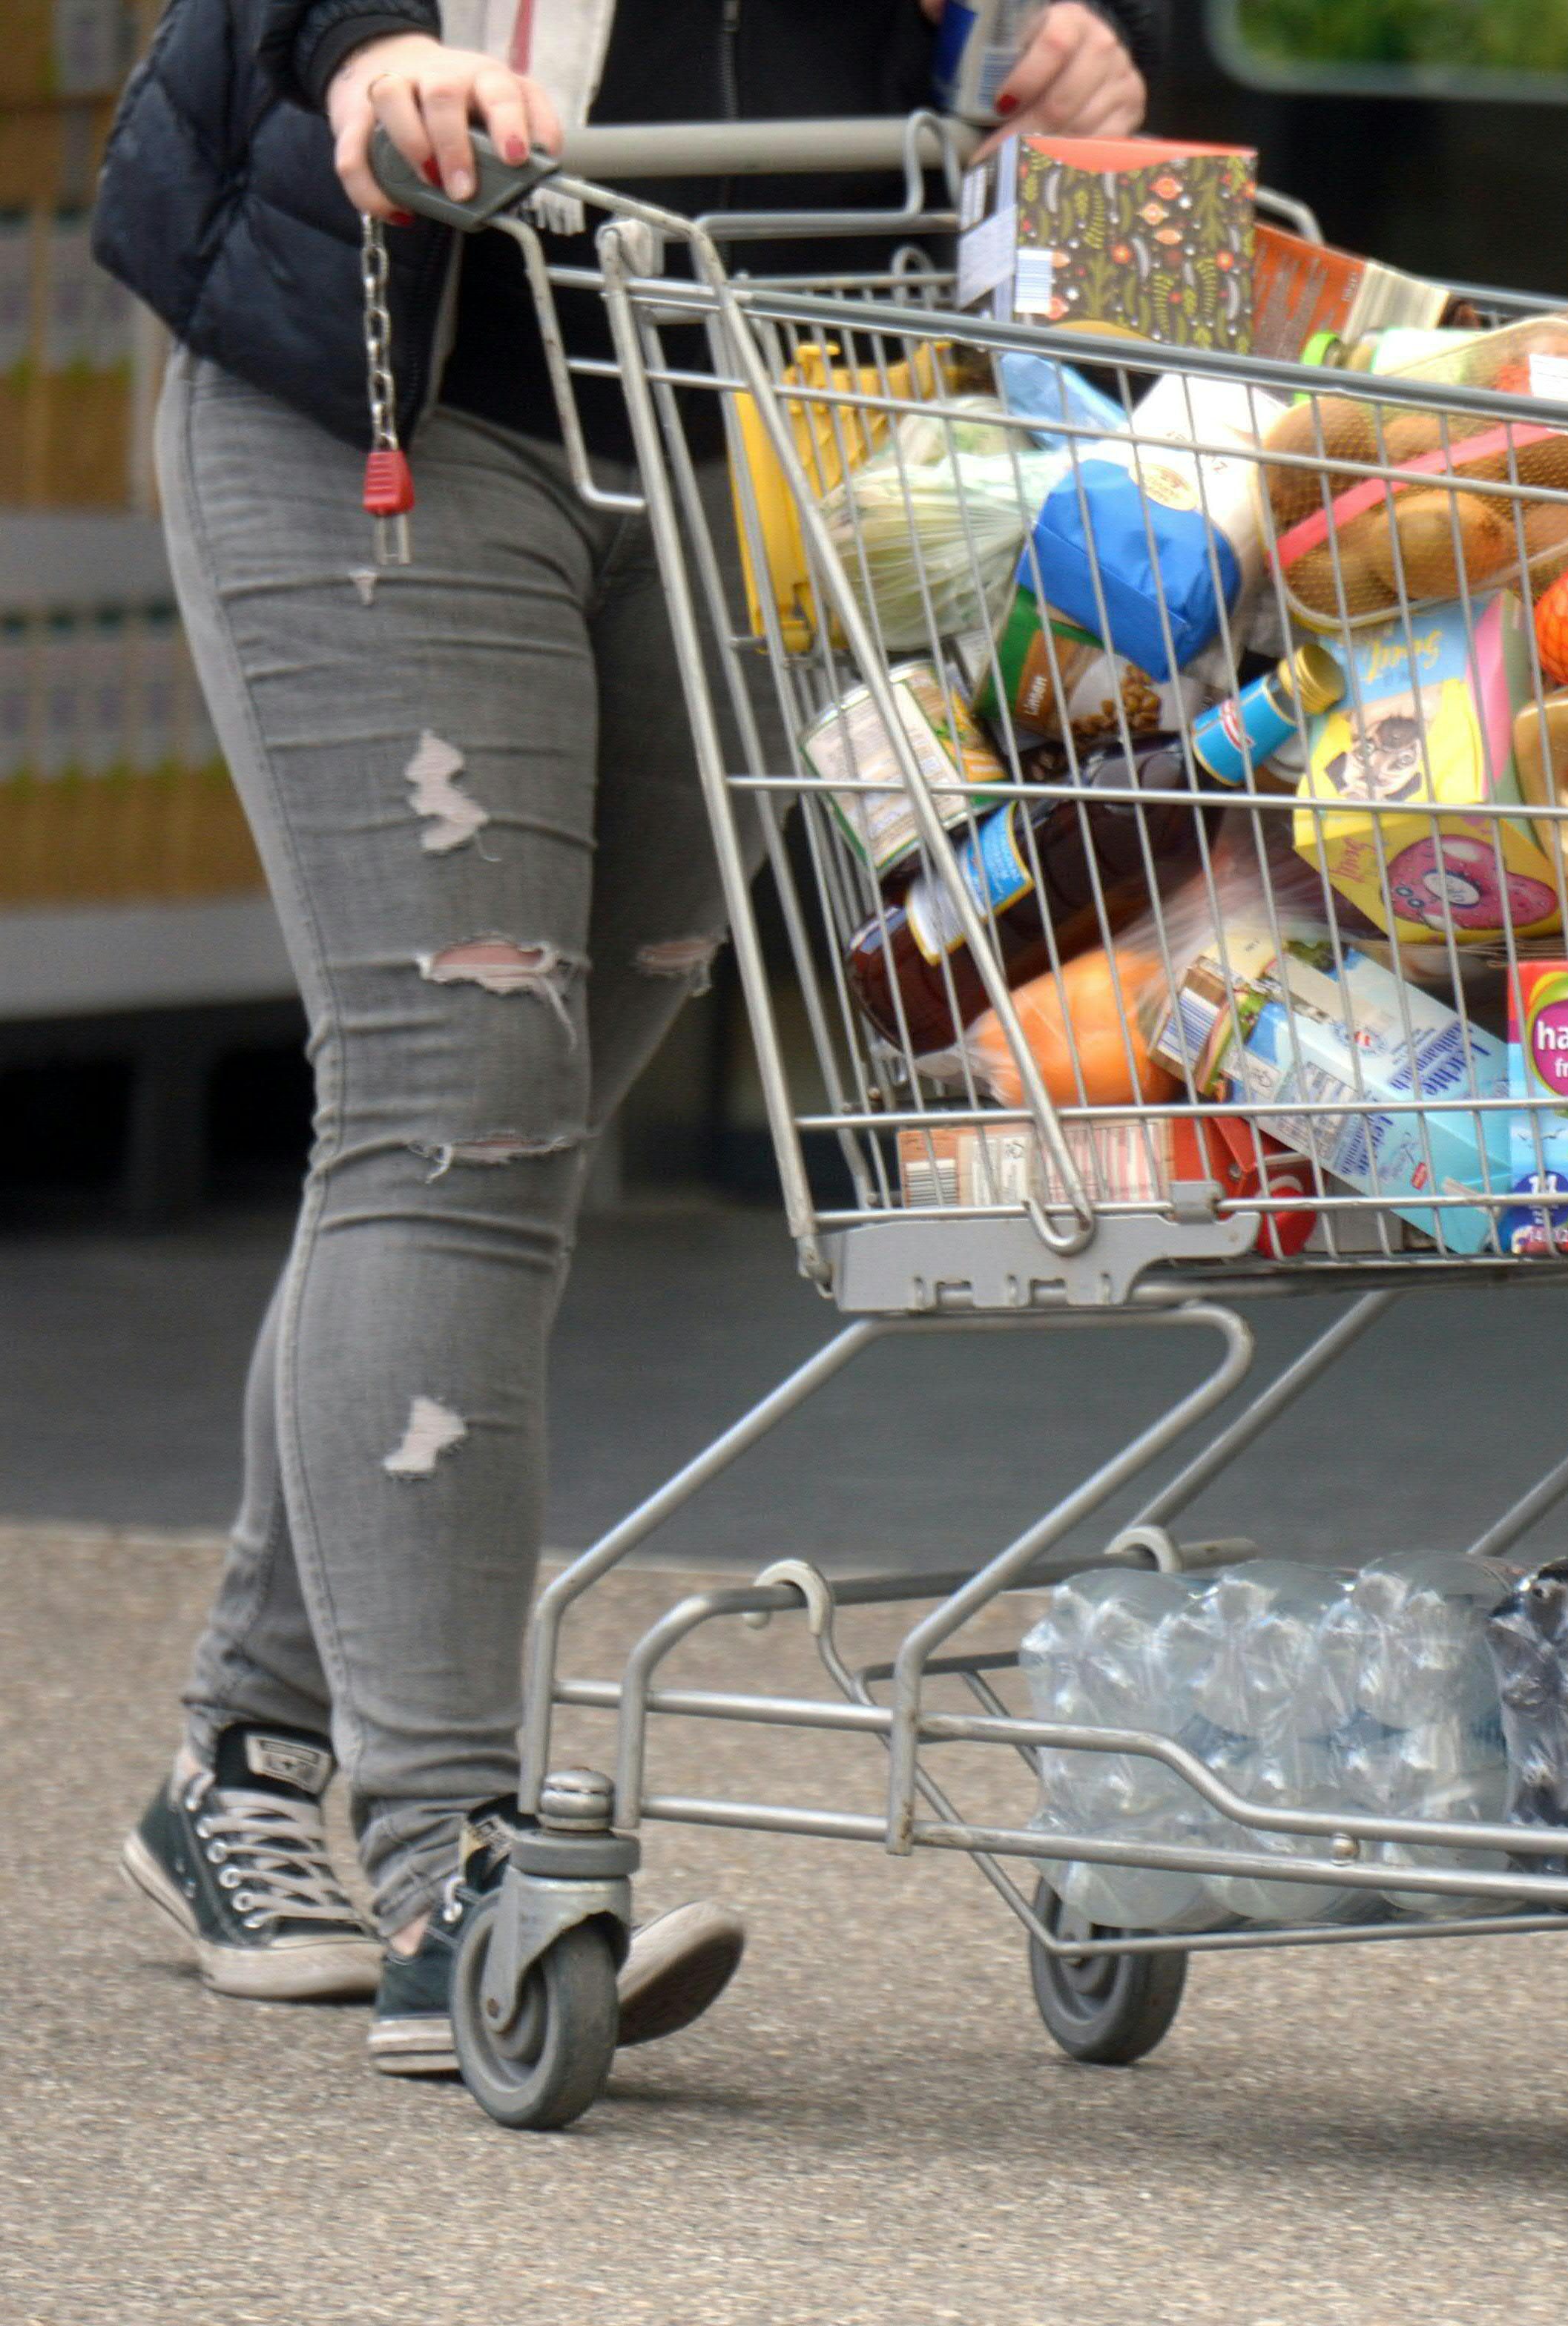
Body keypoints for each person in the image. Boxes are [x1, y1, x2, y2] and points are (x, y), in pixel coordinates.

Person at [96, 0, 1153, 2074]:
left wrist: (1017, 41)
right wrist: (374, 48)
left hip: (739, 402)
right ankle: (449, 1864)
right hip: (392, 372)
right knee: (453, 1111)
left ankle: (241, 1752)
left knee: (529, 1110)